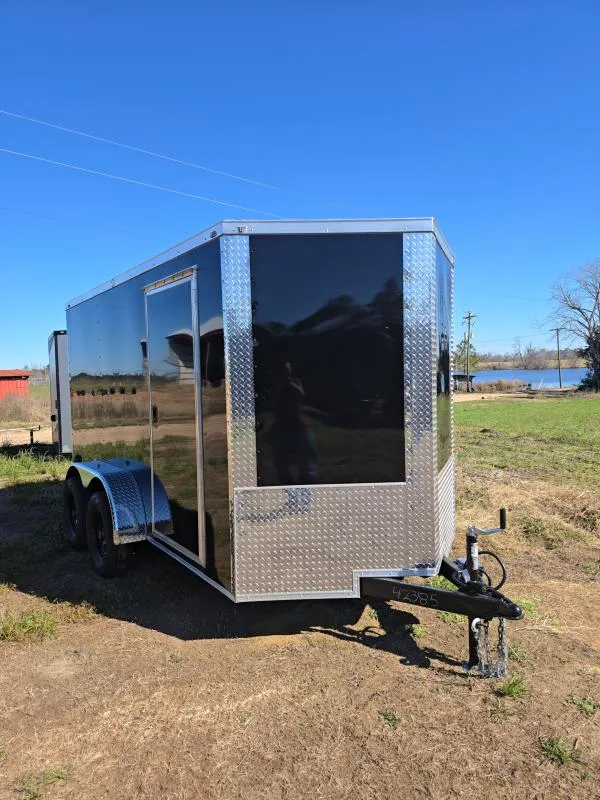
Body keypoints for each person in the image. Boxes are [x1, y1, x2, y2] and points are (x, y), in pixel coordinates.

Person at [269, 362, 317, 485]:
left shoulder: (295, 382)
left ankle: (305, 493)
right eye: (283, 370)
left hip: (299, 425)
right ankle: (291, 494)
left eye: (287, 370)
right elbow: (274, 400)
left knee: (306, 462)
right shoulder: (277, 385)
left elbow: (301, 394)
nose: (286, 372)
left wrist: (289, 384)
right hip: (283, 426)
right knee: (282, 464)